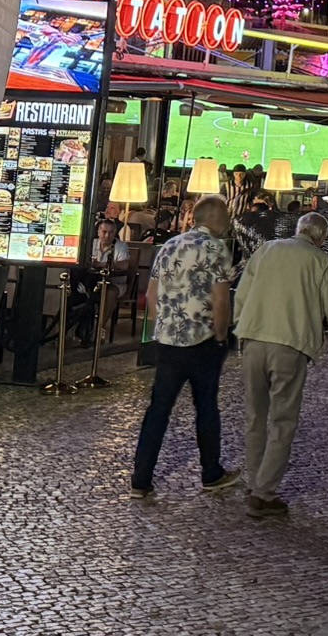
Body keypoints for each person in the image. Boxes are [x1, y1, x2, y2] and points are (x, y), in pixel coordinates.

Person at [232, 211, 328, 517]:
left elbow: (243, 294)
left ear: (298, 230)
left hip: (253, 339)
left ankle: (253, 481)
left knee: (254, 416)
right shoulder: (321, 262)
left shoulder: (266, 250)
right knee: (282, 421)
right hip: (289, 346)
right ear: (320, 238)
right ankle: (264, 491)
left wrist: (242, 325)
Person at [131, 195, 240, 497]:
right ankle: (211, 471)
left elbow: (151, 295)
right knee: (205, 407)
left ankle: (141, 478)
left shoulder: (169, 246)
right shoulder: (217, 250)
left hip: (168, 341)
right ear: (216, 220)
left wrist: (162, 325)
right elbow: (220, 301)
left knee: (158, 410)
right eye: (227, 217)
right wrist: (221, 337)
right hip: (202, 341)